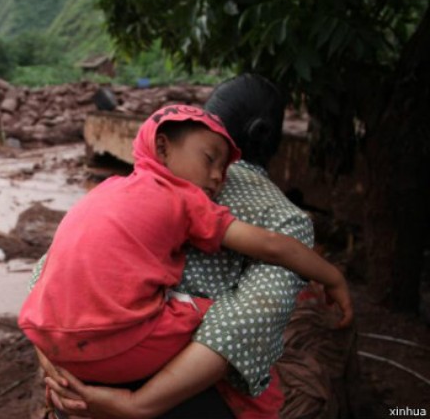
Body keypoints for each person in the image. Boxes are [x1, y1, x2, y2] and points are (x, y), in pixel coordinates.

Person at [19, 101, 352, 418]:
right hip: (114, 346)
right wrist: (332, 276)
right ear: (162, 148)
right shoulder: (183, 197)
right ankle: (251, 405)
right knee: (225, 321)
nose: (219, 176)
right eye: (210, 159)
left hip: (48, 340)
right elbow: (271, 245)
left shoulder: (108, 189)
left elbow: (56, 262)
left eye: (224, 168)